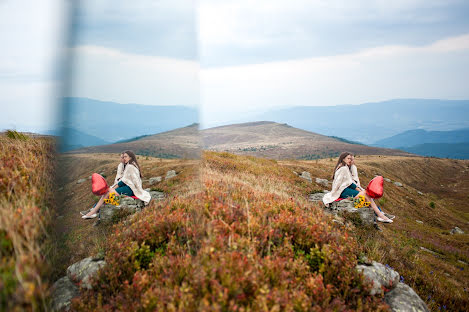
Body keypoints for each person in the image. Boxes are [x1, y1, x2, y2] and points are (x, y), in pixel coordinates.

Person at [322, 152, 393, 223]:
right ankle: (380, 215)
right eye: (348, 158)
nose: (350, 160)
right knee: (366, 194)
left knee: (366, 195)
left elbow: (347, 183)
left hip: (344, 190)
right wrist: (334, 193)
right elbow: (345, 183)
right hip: (343, 191)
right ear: (343, 159)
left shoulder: (343, 167)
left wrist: (359, 190)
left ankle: (380, 215)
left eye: (351, 158)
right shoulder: (343, 168)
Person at [82, 150, 151, 219]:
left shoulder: (130, 166)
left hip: (130, 189)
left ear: (130, 157)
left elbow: (124, 181)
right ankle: (94, 211)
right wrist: (113, 188)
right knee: (108, 193)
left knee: (108, 192)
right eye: (123, 157)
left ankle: (93, 212)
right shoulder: (129, 165)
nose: (124, 158)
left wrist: (113, 188)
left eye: (125, 157)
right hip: (128, 187)